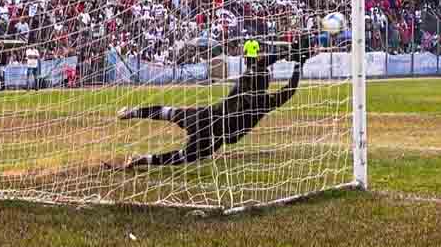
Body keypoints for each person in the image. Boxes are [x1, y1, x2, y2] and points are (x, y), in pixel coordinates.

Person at [112, 38, 312, 169]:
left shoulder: (245, 82)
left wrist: (287, 53)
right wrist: (297, 64)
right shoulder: (266, 102)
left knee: (169, 112)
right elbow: (289, 91)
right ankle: (142, 160)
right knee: (183, 157)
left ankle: (132, 112)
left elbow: (261, 64)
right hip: (219, 138)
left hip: (207, 117)